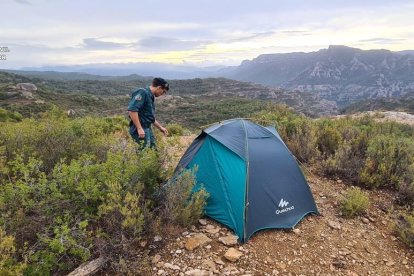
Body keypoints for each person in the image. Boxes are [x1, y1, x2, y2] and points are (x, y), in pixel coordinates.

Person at [127, 77, 169, 149]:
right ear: (159, 88)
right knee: (144, 154)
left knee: (153, 151)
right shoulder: (143, 92)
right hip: (141, 129)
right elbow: (132, 110)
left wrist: (160, 127)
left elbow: (149, 117)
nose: (162, 94)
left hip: (147, 128)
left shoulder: (150, 96)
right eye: (163, 91)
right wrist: (139, 128)